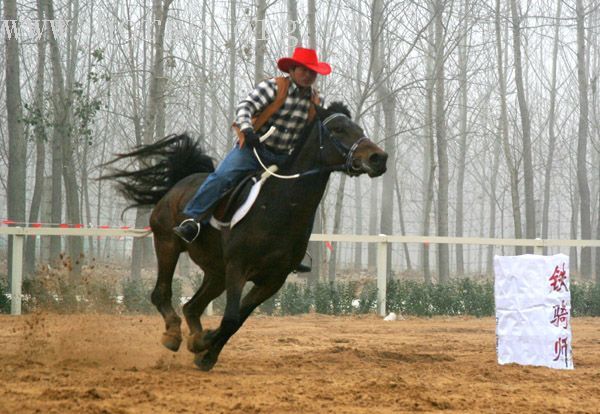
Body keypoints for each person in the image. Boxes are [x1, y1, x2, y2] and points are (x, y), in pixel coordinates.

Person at [173, 47, 332, 264]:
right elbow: (245, 106)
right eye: (304, 70)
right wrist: (247, 130)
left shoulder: (316, 100)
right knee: (222, 177)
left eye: (312, 72)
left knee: (304, 195)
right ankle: (192, 221)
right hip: (253, 151)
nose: (308, 75)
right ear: (293, 70)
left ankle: (296, 249)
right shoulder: (273, 87)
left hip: (284, 158)